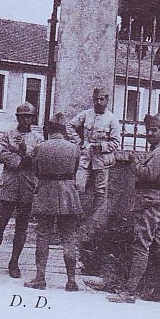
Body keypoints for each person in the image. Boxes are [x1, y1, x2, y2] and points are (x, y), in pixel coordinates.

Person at [108, 113, 160, 304]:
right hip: (155, 203)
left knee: (141, 245)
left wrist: (134, 163)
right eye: (148, 130)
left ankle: (129, 292)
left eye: (154, 130)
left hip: (151, 203)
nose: (149, 134)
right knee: (156, 246)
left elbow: (148, 174)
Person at [0, 102, 42, 278]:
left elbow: (37, 160)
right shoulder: (8, 135)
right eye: (23, 116)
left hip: (27, 188)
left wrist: (22, 152)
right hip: (7, 186)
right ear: (17, 118)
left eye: (29, 117)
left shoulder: (37, 139)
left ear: (33, 119)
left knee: (21, 228)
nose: (26, 120)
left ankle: (14, 263)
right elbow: (2, 155)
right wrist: (22, 159)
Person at [24, 113, 83, 291]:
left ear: (49, 129)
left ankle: (40, 278)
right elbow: (74, 171)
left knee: (43, 236)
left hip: (46, 193)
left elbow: (36, 171)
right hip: (68, 194)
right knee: (68, 237)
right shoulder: (74, 148)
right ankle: (71, 280)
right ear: (64, 130)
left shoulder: (40, 148)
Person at [66, 86, 122, 268]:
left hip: (102, 161)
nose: (99, 102)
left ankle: (95, 228)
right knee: (78, 187)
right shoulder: (86, 115)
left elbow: (115, 143)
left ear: (107, 100)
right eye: (97, 99)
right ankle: (73, 225)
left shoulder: (112, 120)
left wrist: (102, 147)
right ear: (93, 99)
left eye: (103, 99)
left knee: (100, 193)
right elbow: (70, 126)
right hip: (85, 159)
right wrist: (80, 142)